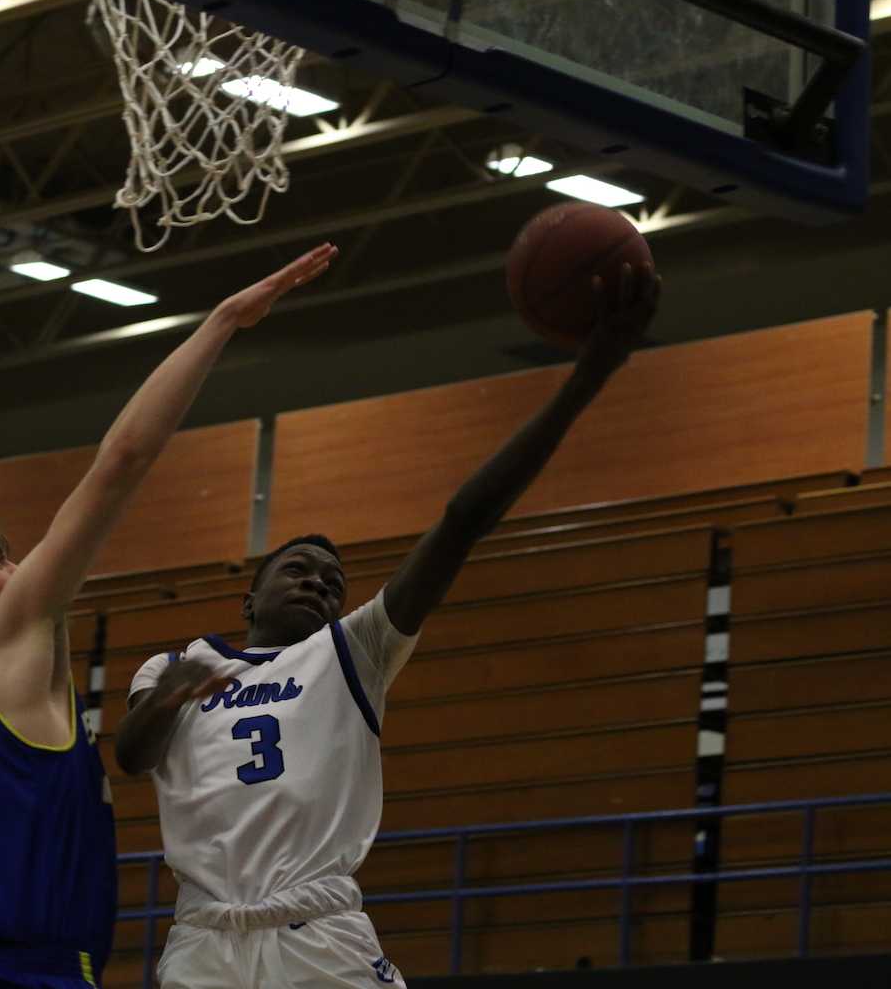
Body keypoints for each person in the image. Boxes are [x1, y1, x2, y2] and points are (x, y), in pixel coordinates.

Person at [116, 264, 662, 988]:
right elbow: (130, 758)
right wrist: (168, 696)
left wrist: (589, 375)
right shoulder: (172, 664)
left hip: (319, 936)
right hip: (204, 943)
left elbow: (463, 521)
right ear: (249, 599)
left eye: (334, 582)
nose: (320, 583)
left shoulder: (355, 649)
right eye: (299, 570)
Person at [0, 242, 340, 989]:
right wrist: (224, 322)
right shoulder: (7, 639)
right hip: (32, 976)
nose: (21, 567)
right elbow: (122, 460)